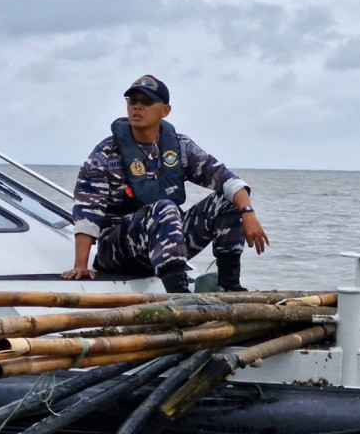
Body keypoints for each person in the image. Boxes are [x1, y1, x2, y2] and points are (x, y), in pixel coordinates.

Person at [61, 74, 269, 293]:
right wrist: (80, 266)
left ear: (165, 110)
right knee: (165, 207)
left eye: (146, 102)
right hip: (117, 250)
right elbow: (87, 213)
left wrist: (247, 212)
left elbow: (227, 180)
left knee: (227, 201)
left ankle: (229, 285)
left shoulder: (179, 147)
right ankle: (179, 294)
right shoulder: (105, 154)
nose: (137, 107)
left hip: (165, 243)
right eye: (133, 101)